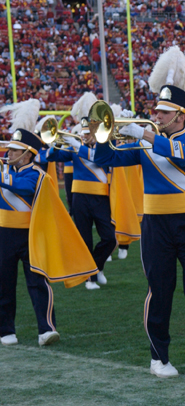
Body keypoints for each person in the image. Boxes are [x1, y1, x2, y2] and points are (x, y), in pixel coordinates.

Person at [80, 46, 185, 378]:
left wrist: (147, 135)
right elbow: (105, 161)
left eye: (164, 113)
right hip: (156, 227)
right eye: (157, 111)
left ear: (180, 116)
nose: (157, 115)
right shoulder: (145, 143)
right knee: (160, 291)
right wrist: (103, 136)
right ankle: (158, 358)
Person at [0, 100, 98, 347]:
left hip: (32, 235)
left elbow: (22, 188)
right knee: (4, 283)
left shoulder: (36, 174)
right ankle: (5, 330)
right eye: (8, 149)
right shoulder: (6, 171)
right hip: (4, 235)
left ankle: (46, 328)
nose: (8, 153)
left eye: (14, 150)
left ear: (27, 154)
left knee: (37, 282)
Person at [46, 92, 116, 290]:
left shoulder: (106, 147)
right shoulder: (76, 148)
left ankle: (97, 267)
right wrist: (55, 143)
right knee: (85, 238)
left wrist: (77, 146)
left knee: (109, 238)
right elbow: (51, 157)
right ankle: (89, 278)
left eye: (89, 133)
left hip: (101, 197)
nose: (85, 136)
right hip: (80, 198)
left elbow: (97, 159)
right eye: (84, 133)